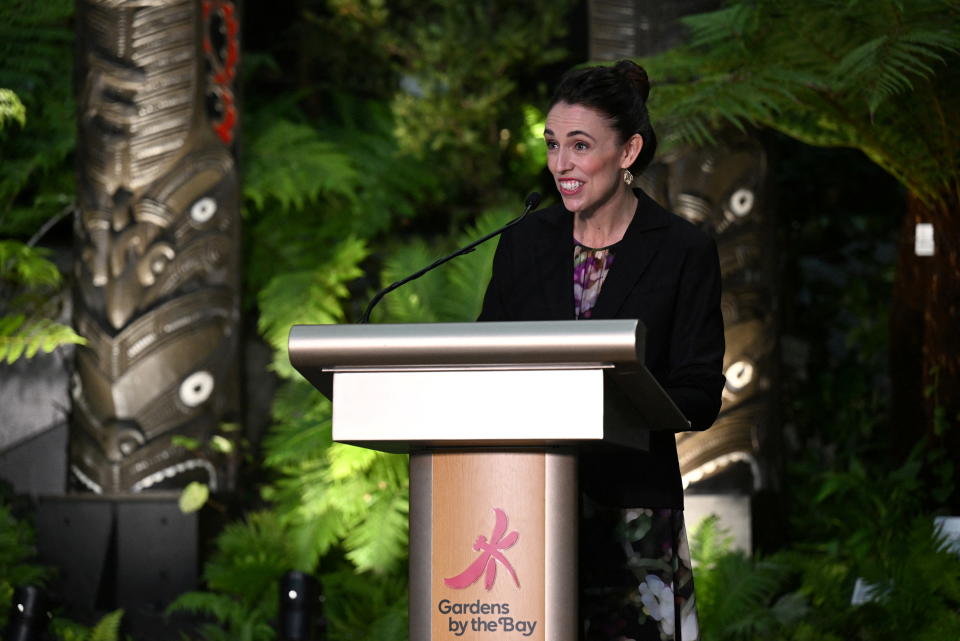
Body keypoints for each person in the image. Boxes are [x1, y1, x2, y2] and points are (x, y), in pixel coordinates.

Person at [478, 60, 725, 641]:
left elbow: (700, 392)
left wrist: (618, 401)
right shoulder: (522, 241)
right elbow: (484, 364)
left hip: (634, 511)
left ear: (629, 150)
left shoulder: (683, 250)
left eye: (580, 145)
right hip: (524, 510)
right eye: (552, 144)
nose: (561, 164)